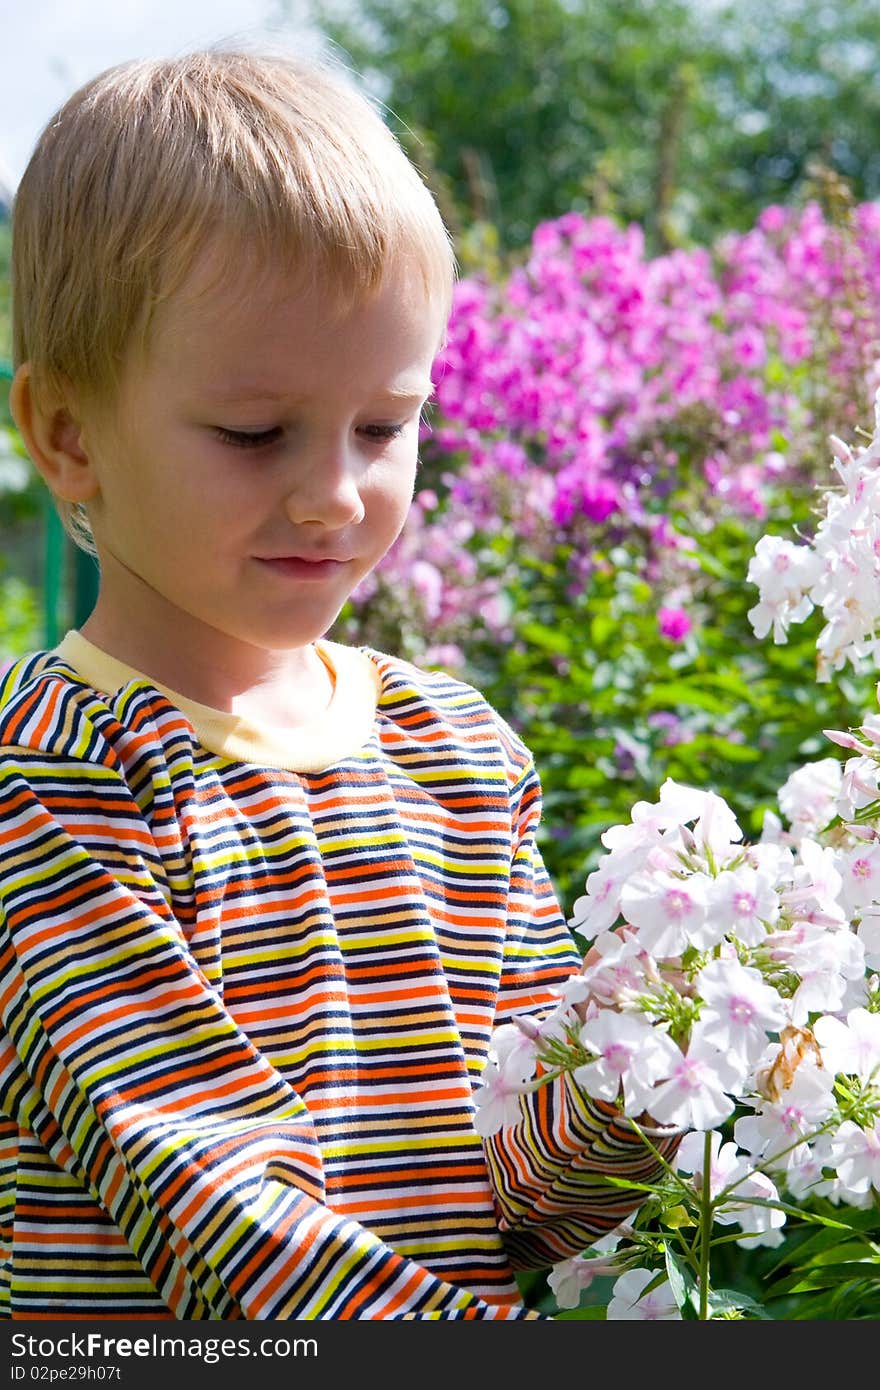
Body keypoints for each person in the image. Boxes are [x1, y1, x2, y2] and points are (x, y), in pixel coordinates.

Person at [0, 49, 677, 1321]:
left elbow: (527, 1202)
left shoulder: (459, 755)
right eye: (255, 433)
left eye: (383, 424)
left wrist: (665, 1055)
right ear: (68, 435)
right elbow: (215, 1201)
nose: (335, 493)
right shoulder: (51, 774)